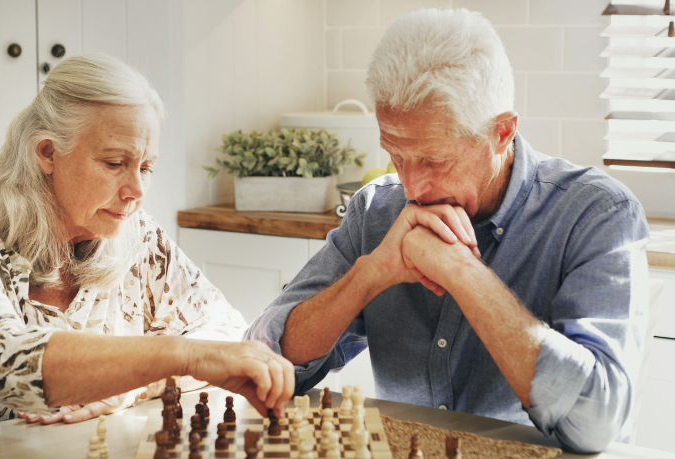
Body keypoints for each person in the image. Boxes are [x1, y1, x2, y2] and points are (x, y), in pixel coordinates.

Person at [245, 8, 649, 454]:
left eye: (434, 161)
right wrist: (370, 274)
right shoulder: (376, 210)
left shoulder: (596, 214)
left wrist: (463, 272)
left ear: (502, 132)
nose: (412, 187)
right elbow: (262, 360)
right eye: (396, 156)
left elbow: (597, 425)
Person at [0, 54, 294, 454]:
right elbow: (2, 364)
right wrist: (180, 354)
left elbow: (223, 328)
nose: (137, 192)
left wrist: (134, 385)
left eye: (146, 167)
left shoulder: (134, 231)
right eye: (114, 163)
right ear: (47, 152)